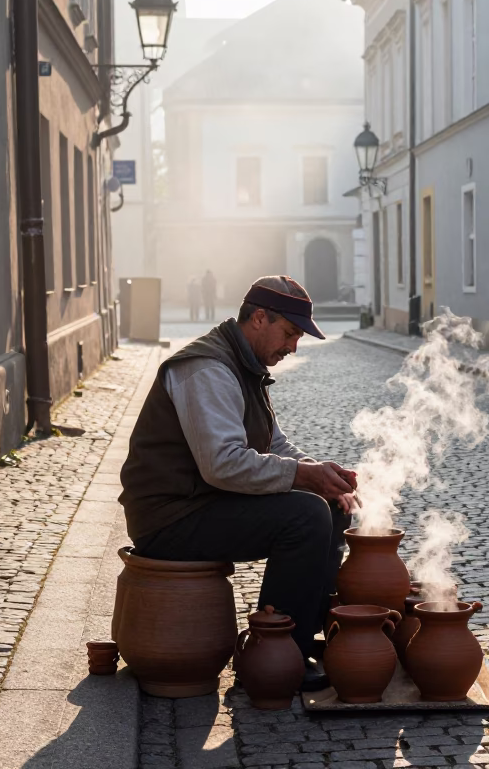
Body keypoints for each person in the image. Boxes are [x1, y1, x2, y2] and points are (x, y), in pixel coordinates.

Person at [118, 275, 356, 692]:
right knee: (305, 516)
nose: (293, 347)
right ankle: (278, 651)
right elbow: (222, 465)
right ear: (260, 318)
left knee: (332, 503)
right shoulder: (208, 368)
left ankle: (306, 634)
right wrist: (304, 477)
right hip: (169, 518)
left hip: (202, 503)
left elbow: (274, 443)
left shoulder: (245, 364)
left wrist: (321, 472)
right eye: (290, 333)